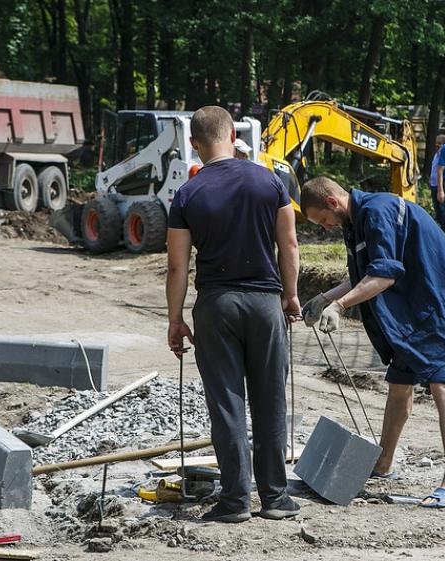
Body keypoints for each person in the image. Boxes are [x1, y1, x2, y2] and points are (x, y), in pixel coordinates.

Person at [299, 176, 445, 508]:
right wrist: (324, 297)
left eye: (323, 220)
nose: (326, 227)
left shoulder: (378, 211)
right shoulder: (355, 222)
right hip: (413, 312)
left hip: (439, 304)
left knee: (442, 384)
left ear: (332, 203)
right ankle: (384, 463)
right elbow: (363, 274)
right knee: (399, 383)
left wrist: (340, 306)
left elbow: (385, 274)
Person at [166, 106, 301, 523]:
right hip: (265, 304)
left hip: (216, 305)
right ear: (233, 136)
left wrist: (175, 319)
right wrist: (291, 296)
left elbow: (176, 266)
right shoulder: (270, 181)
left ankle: (235, 501)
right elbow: (290, 246)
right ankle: (275, 498)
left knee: (226, 404)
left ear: (195, 144)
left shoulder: (188, 194)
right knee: (270, 400)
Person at [428, 134, 445, 230]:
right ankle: (440, 226)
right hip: (433, 185)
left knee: (443, 208)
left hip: (440, 186)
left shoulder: (442, 153)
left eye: (440, 143)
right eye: (436, 143)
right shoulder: (436, 155)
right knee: (437, 208)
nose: (437, 145)